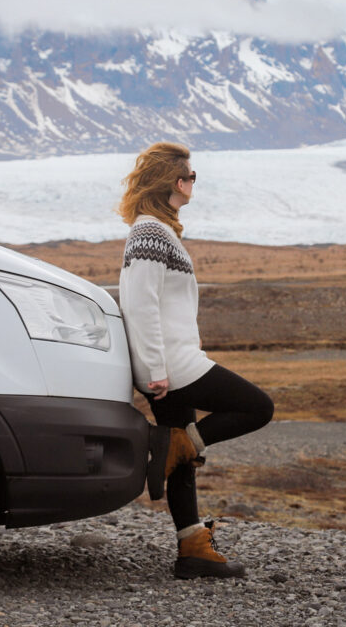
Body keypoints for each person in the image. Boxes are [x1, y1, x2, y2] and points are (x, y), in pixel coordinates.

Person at [117, 141, 274, 579]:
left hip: (169, 361)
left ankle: (192, 549)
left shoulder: (158, 232)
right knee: (258, 407)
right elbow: (140, 304)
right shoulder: (149, 232)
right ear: (172, 181)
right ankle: (179, 447)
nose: (193, 183)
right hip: (174, 363)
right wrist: (154, 368)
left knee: (179, 459)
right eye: (190, 176)